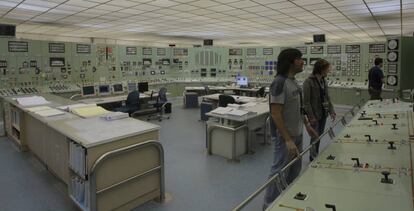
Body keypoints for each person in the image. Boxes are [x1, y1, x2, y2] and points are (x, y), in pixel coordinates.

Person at [263, 48, 318, 210]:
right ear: (291, 61)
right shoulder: (279, 82)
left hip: (298, 134)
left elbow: (299, 107)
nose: (303, 62)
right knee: (278, 171)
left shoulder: (293, 81)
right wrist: (287, 139)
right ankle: (268, 206)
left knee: (294, 169)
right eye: (300, 59)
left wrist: (307, 125)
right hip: (285, 138)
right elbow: (275, 113)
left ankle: (286, 200)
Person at [303, 59, 336, 161]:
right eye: (327, 69)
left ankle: (315, 154)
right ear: (321, 69)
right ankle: (312, 158)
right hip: (314, 115)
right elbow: (306, 102)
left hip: (323, 113)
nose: (328, 71)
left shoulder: (323, 81)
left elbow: (327, 97)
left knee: (319, 136)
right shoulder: (308, 82)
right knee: (314, 137)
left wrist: (331, 110)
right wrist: (311, 117)